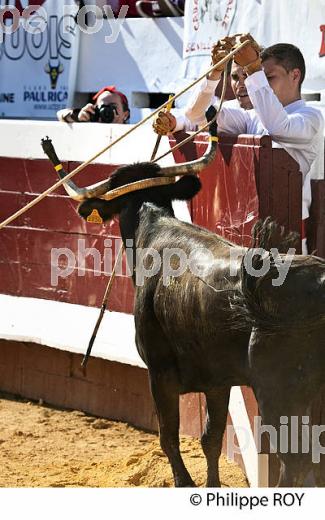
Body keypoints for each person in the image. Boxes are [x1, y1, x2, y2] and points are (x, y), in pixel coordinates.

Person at [153, 35, 324, 253]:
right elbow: (197, 116)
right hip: (245, 230)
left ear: (295, 75)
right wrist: (213, 73)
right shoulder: (252, 117)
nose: (252, 84)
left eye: (268, 77)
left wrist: (254, 69)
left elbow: (278, 127)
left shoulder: (311, 117)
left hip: (287, 233)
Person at [57, 85, 130, 124]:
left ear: (125, 114)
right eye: (102, 106)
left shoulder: (132, 134)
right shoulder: (91, 124)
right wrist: (77, 115)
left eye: (113, 106)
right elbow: (60, 114)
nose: (107, 110)